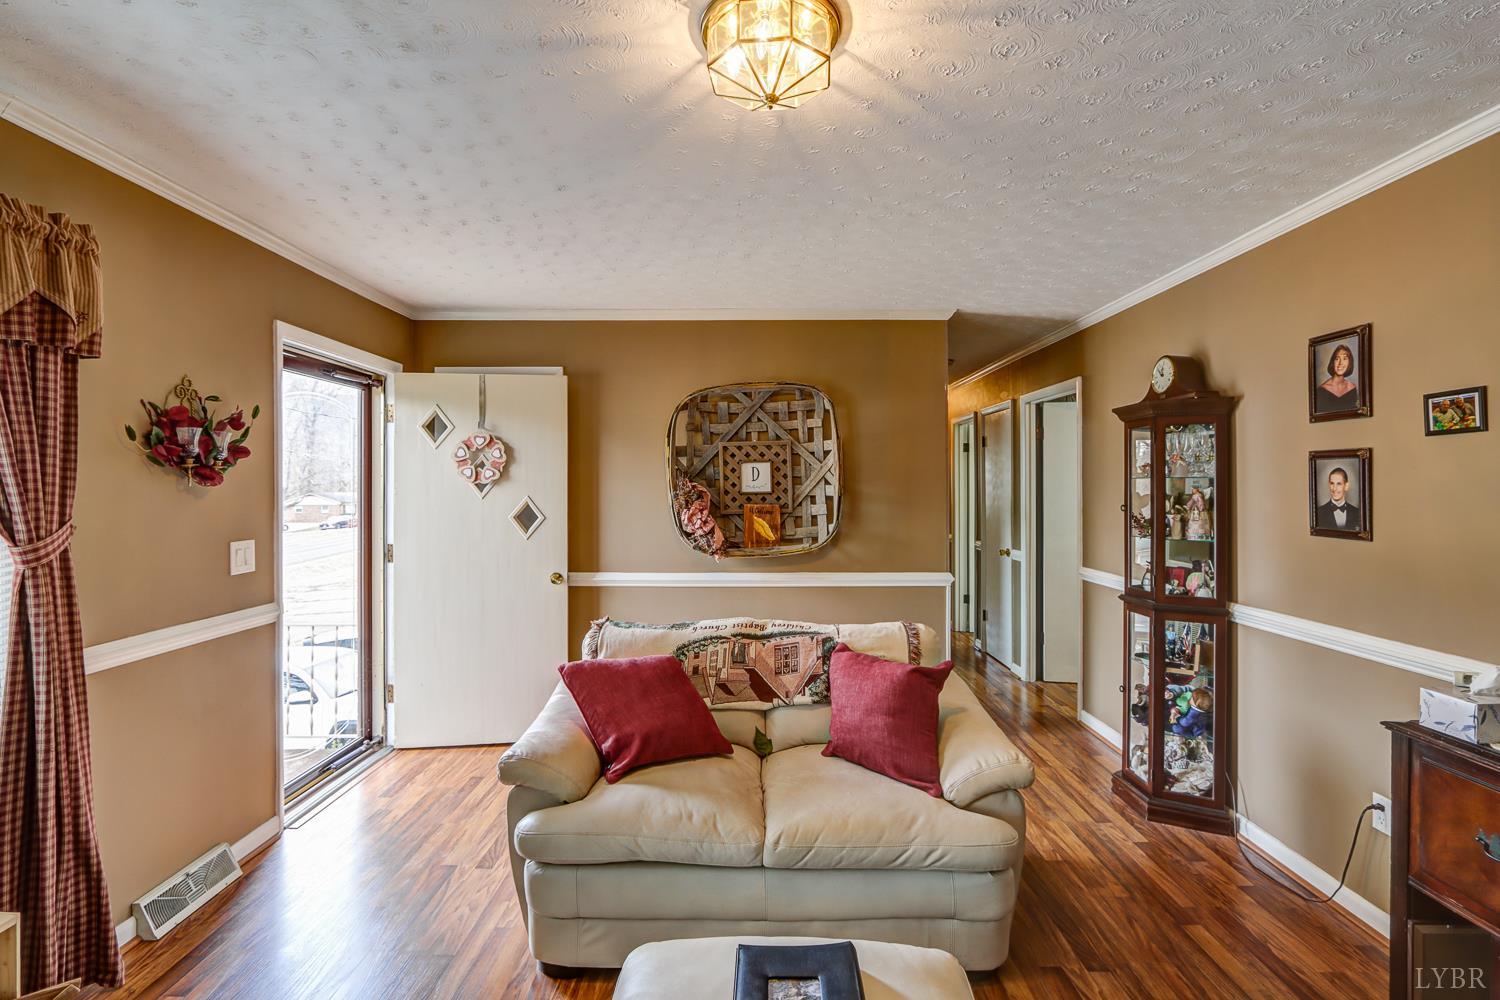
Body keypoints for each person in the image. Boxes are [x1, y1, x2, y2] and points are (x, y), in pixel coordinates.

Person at [1315, 343, 1359, 413]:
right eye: (1337, 359)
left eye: (1345, 358)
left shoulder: (1352, 388)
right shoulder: (1321, 391)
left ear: (1349, 362)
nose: (1340, 363)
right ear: (1333, 362)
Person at [1316, 466, 1361, 531]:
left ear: (1346, 486)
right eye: (1332, 483)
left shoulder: (1357, 513)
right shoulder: (1319, 513)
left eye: (1339, 484)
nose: (1334, 488)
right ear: (1329, 485)